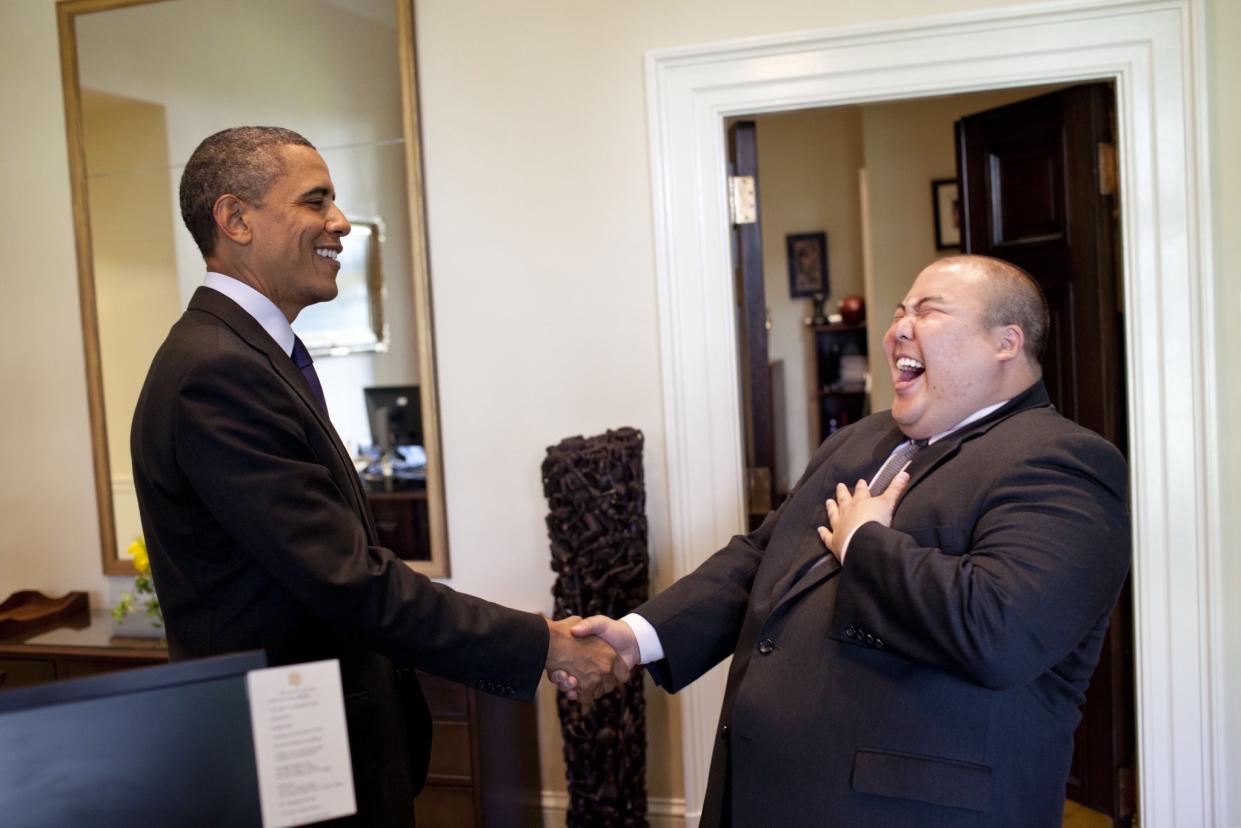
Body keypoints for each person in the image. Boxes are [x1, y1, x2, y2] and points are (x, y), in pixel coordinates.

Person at [131, 126, 626, 826]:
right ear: (235, 219)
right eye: (316, 201)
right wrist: (543, 642)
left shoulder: (248, 356)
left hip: (323, 740)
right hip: (285, 756)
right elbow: (349, 579)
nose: (339, 223)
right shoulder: (218, 371)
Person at [564, 255, 1130, 826]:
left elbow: (998, 630)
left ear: (1005, 342)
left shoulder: (1063, 462)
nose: (899, 329)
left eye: (929, 311)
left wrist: (864, 542)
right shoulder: (860, 439)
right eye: (899, 312)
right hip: (766, 794)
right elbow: (763, 560)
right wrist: (639, 637)